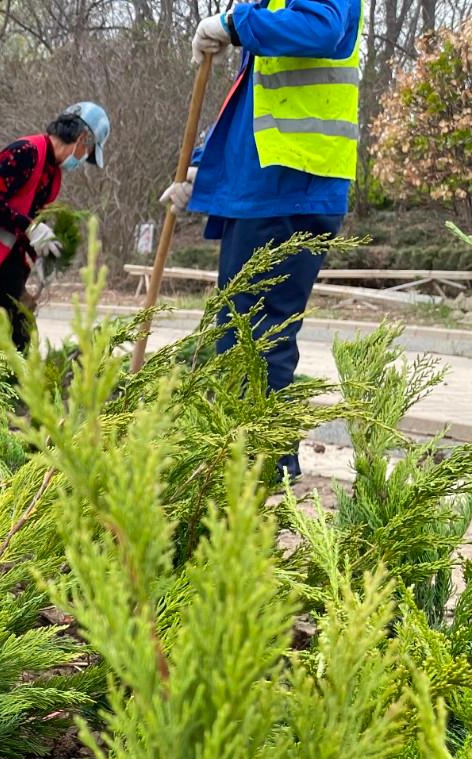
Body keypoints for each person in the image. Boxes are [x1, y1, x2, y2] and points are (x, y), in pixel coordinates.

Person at [166, 0, 363, 478]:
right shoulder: (269, 11)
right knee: (243, 334)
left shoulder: (271, 17)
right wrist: (202, 172)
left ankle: (260, 467)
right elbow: (262, 111)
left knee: (254, 337)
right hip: (271, 189)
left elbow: (322, 29)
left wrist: (236, 25)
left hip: (291, 190)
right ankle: (254, 463)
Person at [0, 103, 110, 364]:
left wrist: (38, 260)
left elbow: (25, 229)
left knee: (21, 327)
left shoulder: (52, 173)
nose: (83, 159)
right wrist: (31, 228)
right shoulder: (25, 153)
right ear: (82, 139)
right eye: (87, 152)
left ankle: (18, 396)